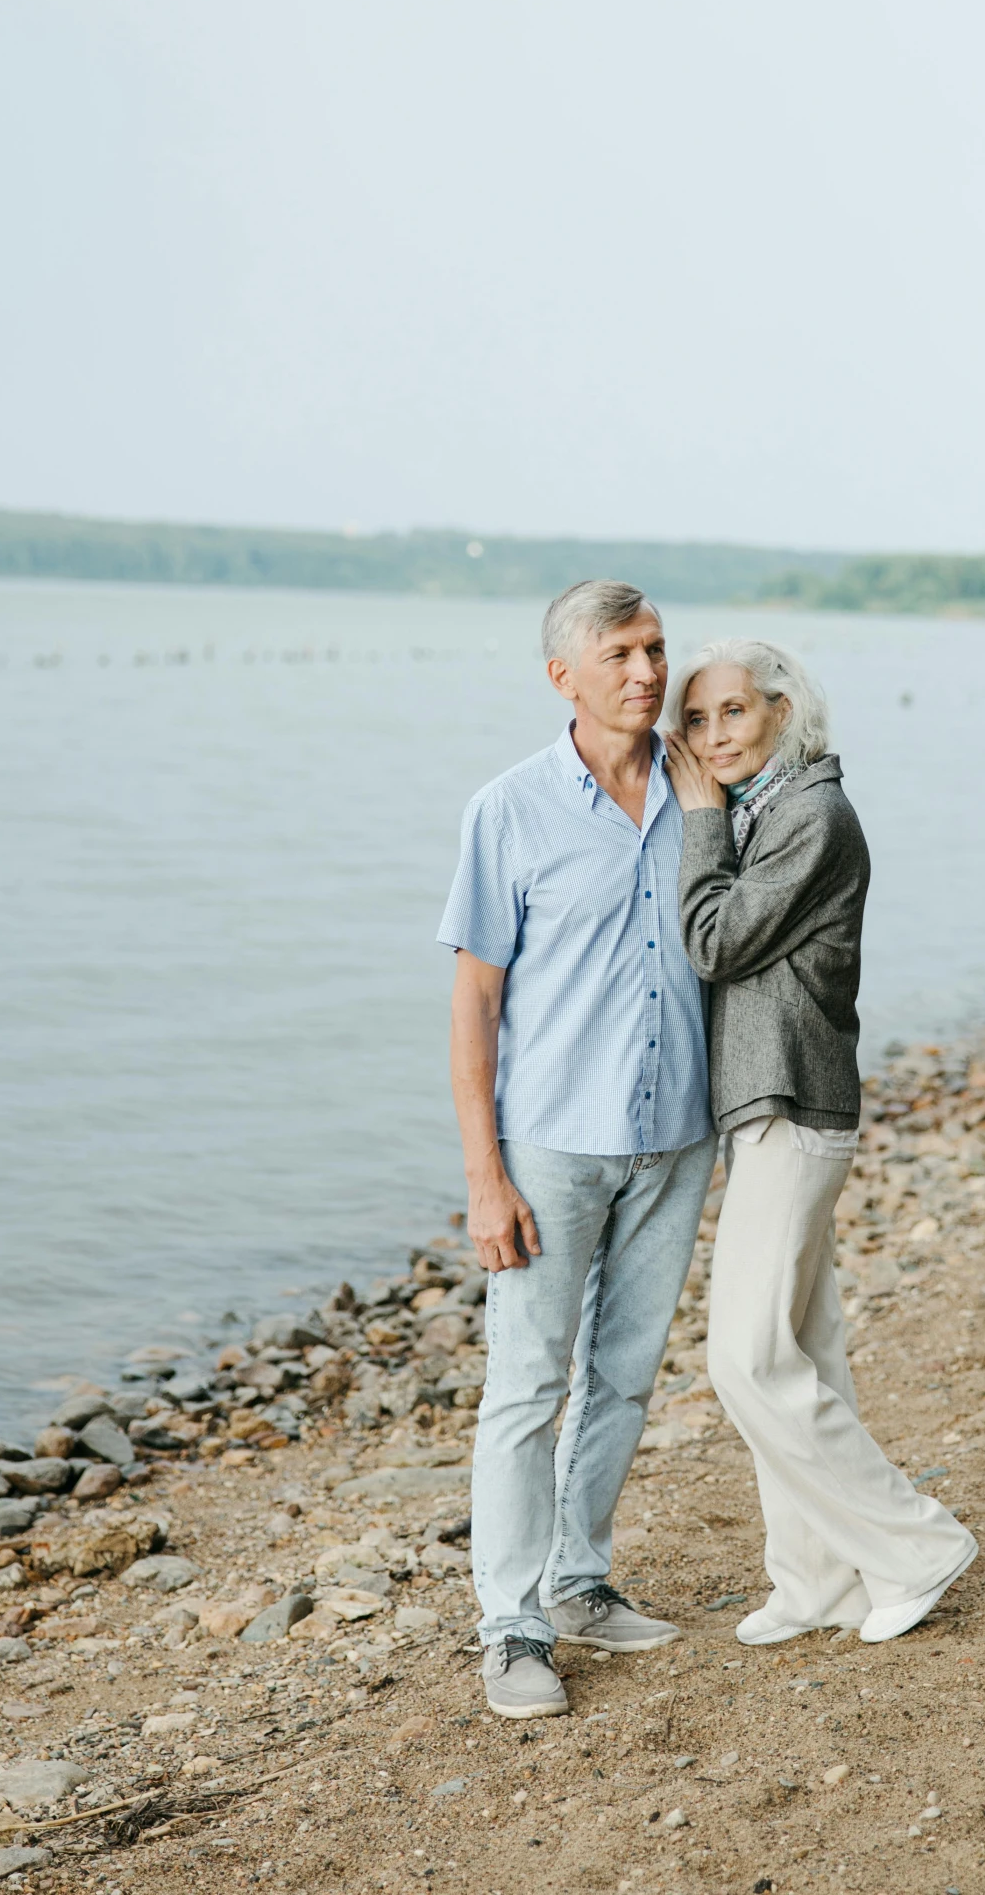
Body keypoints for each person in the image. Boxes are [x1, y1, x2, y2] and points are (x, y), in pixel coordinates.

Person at [438, 580, 718, 1720]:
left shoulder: (706, 794)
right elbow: (473, 1007)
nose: (648, 671)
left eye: (656, 647)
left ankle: (580, 1580)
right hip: (551, 1144)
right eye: (620, 653)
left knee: (622, 1378)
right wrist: (483, 1175)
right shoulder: (507, 810)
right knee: (523, 1390)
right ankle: (510, 1630)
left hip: (677, 1138)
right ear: (564, 675)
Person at [664, 638, 977, 1645]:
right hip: (776, 1105)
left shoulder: (809, 814)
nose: (712, 735)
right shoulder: (777, 805)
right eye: (698, 719)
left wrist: (699, 821)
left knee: (747, 1361)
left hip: (795, 1105)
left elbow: (713, 939)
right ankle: (815, 1582)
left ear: (784, 708)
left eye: (730, 712)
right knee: (804, 1354)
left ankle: (918, 1543)